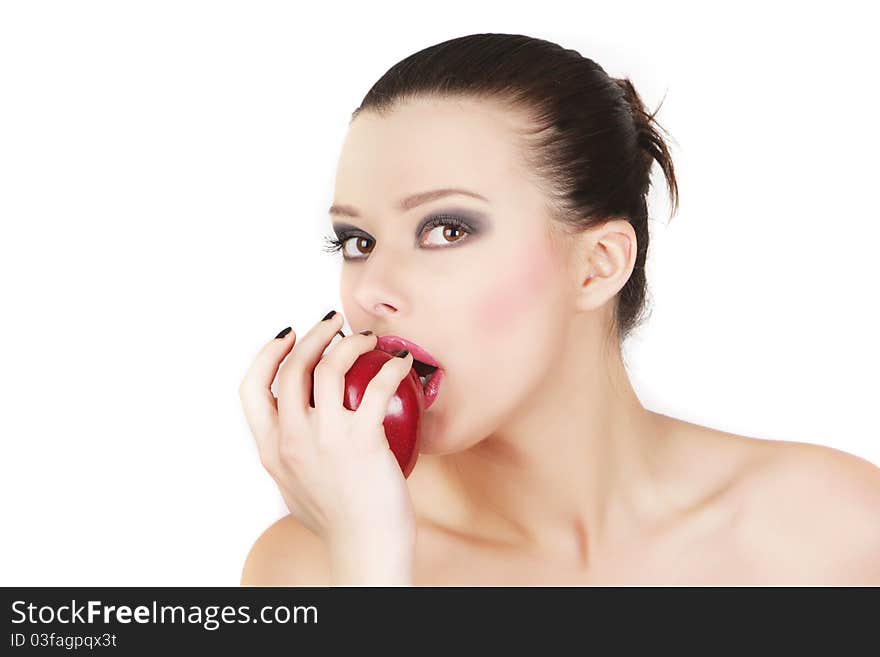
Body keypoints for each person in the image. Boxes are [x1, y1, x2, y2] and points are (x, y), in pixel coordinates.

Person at [237, 33, 880, 586]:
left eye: (447, 230)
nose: (370, 290)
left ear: (598, 264)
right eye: (357, 242)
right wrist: (369, 562)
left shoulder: (835, 529)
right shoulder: (311, 566)